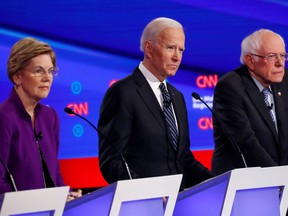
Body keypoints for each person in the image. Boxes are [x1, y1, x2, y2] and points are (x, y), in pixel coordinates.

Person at [98, 17, 213, 190]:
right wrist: (146, 194)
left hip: (179, 203)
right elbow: (112, 161)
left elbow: (182, 158)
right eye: (170, 48)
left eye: (181, 50)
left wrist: (215, 182)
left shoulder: (177, 96)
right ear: (149, 49)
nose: (177, 57)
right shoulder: (123, 93)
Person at [0, 37, 81, 200]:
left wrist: (66, 195)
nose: (47, 77)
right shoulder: (4, 117)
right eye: (38, 71)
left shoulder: (50, 117)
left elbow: (54, 172)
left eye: (51, 71)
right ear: (17, 77)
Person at [212, 29, 288, 175]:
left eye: (283, 56)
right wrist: (280, 177)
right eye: (272, 56)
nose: (280, 63)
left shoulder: (284, 81)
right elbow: (247, 143)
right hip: (244, 182)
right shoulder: (230, 86)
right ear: (250, 61)